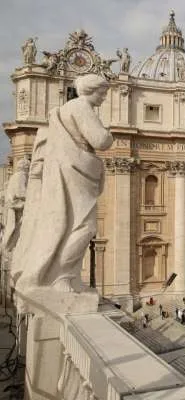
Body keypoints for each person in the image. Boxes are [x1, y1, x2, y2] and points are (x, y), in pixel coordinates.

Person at [12, 74, 113, 293]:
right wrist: (109, 134)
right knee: (83, 226)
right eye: (102, 92)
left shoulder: (64, 110)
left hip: (71, 171)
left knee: (69, 224)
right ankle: (62, 276)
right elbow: (101, 140)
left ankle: (58, 275)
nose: (105, 98)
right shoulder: (81, 108)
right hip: (75, 172)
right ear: (90, 90)